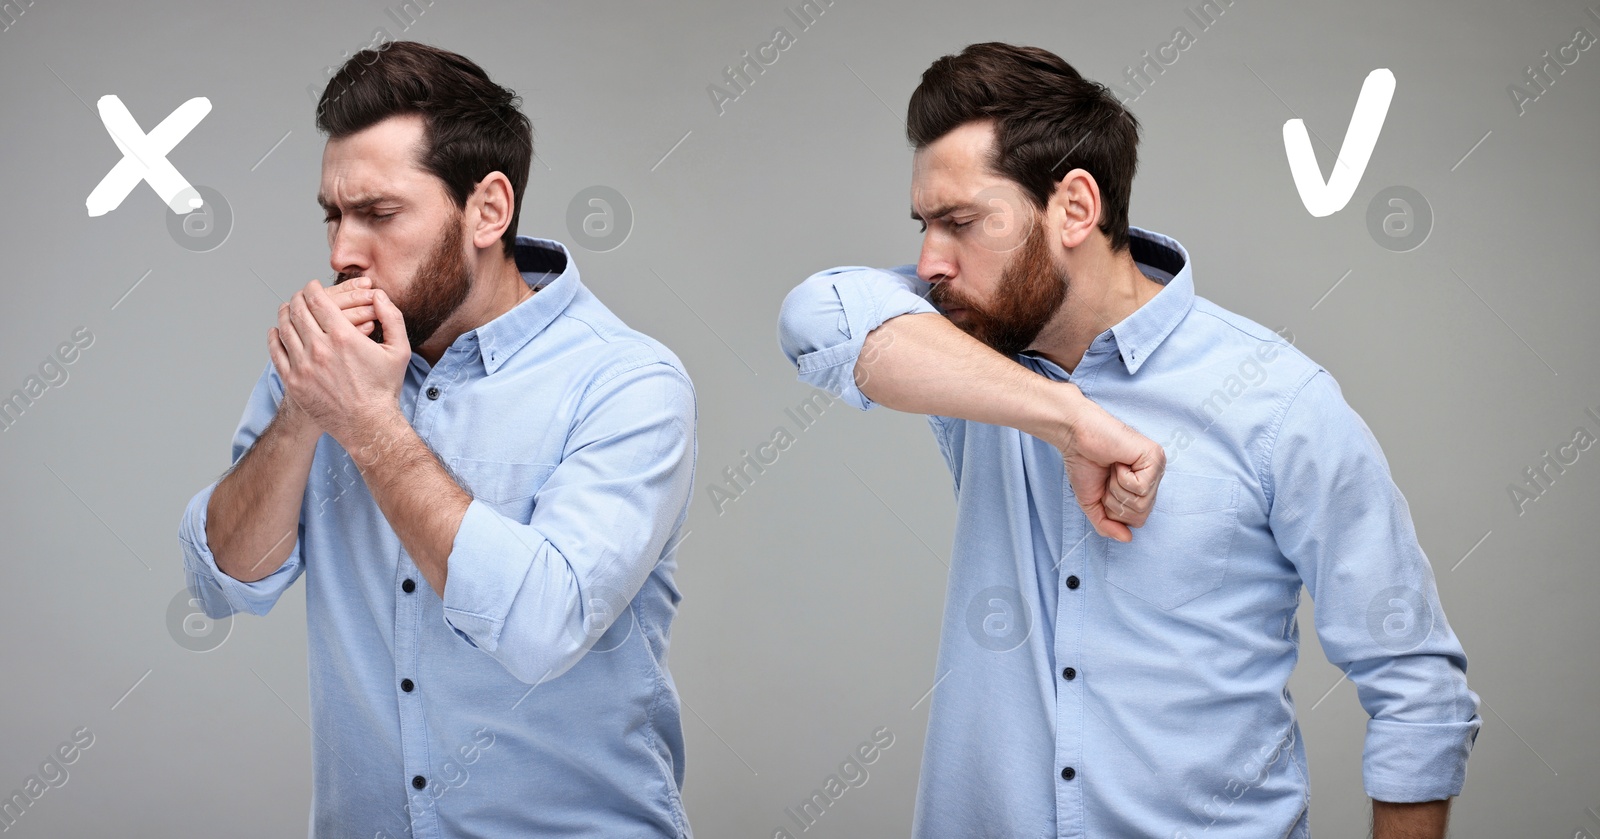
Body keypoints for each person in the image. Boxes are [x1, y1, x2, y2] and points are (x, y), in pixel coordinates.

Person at [776, 42, 1478, 839]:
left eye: (960, 221)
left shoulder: (1282, 401)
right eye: (924, 225)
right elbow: (815, 319)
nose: (930, 259)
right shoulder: (964, 354)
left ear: (1076, 207)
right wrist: (1070, 419)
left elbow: (1416, 680)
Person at [179, 42, 697, 838]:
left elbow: (540, 624)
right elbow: (225, 581)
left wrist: (369, 425)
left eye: (379, 214)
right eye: (333, 214)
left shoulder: (627, 383)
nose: (341, 252)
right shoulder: (326, 371)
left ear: (487, 209)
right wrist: (303, 411)